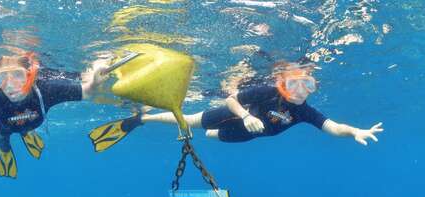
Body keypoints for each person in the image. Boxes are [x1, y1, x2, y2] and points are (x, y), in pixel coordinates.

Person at [88, 61, 383, 151]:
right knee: (189, 121)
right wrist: (244, 114)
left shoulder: (304, 111)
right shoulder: (266, 90)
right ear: (283, 84)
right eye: (295, 84)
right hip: (236, 115)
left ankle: (212, 135)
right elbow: (231, 98)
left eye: (308, 86)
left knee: (214, 136)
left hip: (248, 135)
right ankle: (144, 118)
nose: (300, 92)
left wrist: (355, 130)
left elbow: (332, 127)